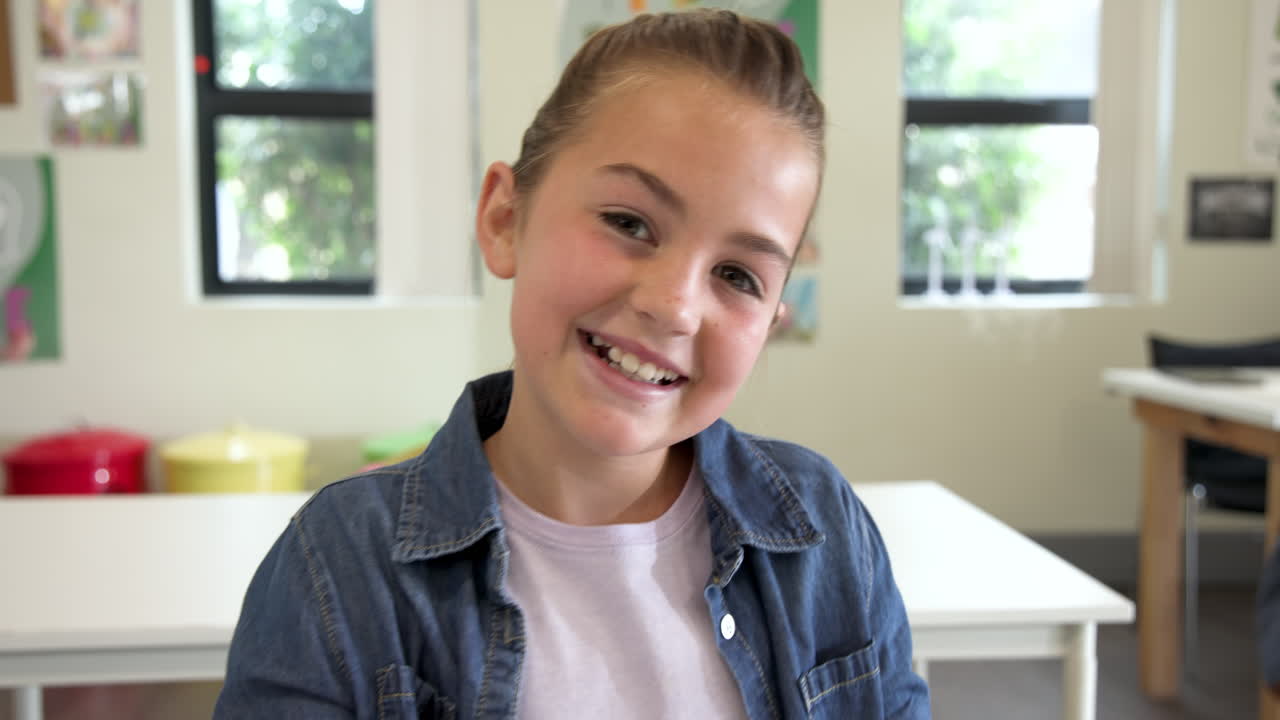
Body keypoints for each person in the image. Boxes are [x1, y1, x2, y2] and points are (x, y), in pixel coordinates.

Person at [214, 9, 930, 719]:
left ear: (771, 323)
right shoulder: (339, 566)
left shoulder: (826, 528)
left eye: (738, 276)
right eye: (629, 223)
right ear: (504, 219)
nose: (675, 307)